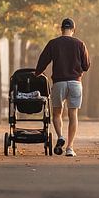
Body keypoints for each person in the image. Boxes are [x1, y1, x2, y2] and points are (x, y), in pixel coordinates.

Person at [35, 17, 90, 157]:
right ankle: (70, 148)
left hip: (59, 83)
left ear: (61, 29)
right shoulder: (80, 44)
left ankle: (60, 136)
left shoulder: (53, 43)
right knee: (73, 115)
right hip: (75, 83)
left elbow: (43, 61)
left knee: (57, 113)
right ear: (73, 30)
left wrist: (37, 73)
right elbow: (86, 66)